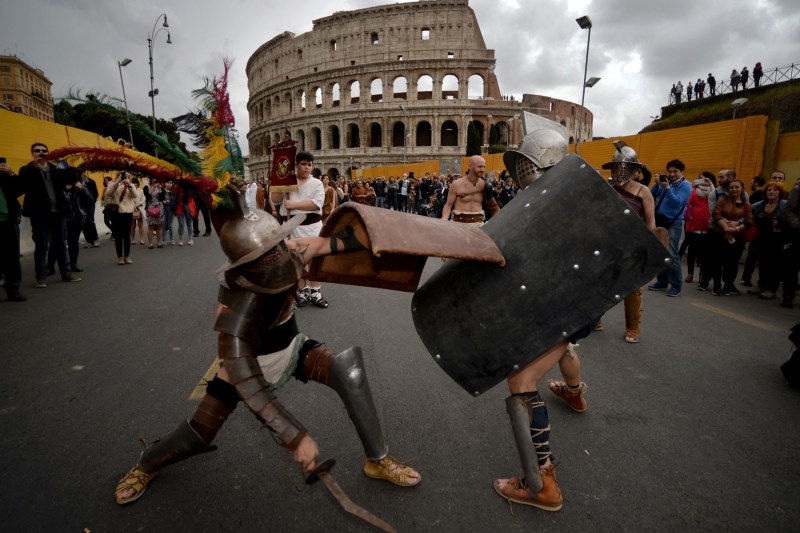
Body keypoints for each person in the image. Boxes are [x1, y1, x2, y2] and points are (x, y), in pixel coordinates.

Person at [113, 179, 420, 506]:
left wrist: (384, 225)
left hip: (293, 348)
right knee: (197, 435)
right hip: (244, 370)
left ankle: (377, 458)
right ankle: (146, 464)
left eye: (275, 246)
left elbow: (349, 239)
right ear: (243, 265)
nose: (275, 258)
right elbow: (246, 376)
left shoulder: (294, 251)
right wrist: (294, 435)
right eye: (264, 255)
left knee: (348, 372)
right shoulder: (234, 303)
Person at [491, 122, 594, 511]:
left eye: (529, 165)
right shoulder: (560, 199)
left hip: (566, 304)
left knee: (521, 380)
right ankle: (575, 394)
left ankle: (542, 484)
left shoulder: (563, 202)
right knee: (564, 351)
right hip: (564, 305)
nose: (523, 174)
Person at [597, 142, 656, 344]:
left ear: (635, 170)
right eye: (616, 167)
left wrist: (649, 248)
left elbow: (650, 222)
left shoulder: (642, 191)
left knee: (631, 288)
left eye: (625, 167)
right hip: (610, 243)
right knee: (601, 282)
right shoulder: (610, 189)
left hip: (633, 244)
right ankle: (595, 319)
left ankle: (633, 328)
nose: (620, 171)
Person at [17, 142, 82, 287]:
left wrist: (61, 163)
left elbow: (71, 178)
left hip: (58, 213)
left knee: (60, 243)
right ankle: (41, 277)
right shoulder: (27, 170)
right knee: (41, 245)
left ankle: (66, 273)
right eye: (37, 151)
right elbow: (22, 183)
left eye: (43, 151)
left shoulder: (55, 169)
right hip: (39, 214)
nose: (40, 153)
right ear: (32, 153)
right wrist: (36, 166)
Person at [272, 150, 329, 308]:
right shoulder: (288, 181)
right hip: (290, 227)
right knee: (296, 260)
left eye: (309, 164)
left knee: (313, 260)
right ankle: (302, 291)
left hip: (311, 227)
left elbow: (315, 204)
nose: (307, 167)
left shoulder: (317, 183)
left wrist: (294, 205)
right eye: (303, 164)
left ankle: (315, 292)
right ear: (296, 165)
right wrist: (279, 182)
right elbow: (275, 199)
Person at [647, 159, 692, 297]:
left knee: (672, 254)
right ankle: (662, 281)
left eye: (675, 172)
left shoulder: (686, 185)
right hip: (660, 219)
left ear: (682, 172)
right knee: (659, 252)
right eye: (670, 171)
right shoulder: (667, 182)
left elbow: (677, 203)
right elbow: (651, 195)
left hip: (674, 223)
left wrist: (667, 188)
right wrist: (657, 185)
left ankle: (676, 285)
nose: (672, 174)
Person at [710, 179, 753, 295]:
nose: (734, 189)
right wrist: (726, 227)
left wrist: (737, 227)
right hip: (721, 235)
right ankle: (717, 286)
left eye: (737, 187)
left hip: (738, 237)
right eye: (731, 187)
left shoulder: (746, 205)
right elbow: (716, 213)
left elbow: (749, 220)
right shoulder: (723, 201)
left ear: (742, 188)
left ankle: (728, 285)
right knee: (718, 261)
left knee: (732, 262)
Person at [747, 182, 787, 299]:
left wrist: (780, 224)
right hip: (762, 238)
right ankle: (762, 285)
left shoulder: (784, 205)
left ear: (780, 193)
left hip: (778, 239)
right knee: (762, 262)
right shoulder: (759, 205)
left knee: (775, 264)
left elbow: (790, 220)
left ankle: (772, 289)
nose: (771, 192)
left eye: (775, 190)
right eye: (769, 190)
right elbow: (749, 214)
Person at [441, 155, 500, 224]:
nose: (483, 170)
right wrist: (444, 221)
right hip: (459, 224)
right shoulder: (457, 184)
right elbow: (448, 206)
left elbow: (492, 206)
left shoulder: (483, 185)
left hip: (478, 224)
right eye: (480, 166)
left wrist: (500, 219)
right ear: (470, 166)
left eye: (484, 167)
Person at [53, 179, 93, 273]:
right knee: (57, 242)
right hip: (60, 217)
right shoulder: (58, 185)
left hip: (76, 217)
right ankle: (51, 266)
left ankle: (73, 264)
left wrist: (82, 188)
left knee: (74, 242)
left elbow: (90, 199)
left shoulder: (79, 186)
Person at [0, 157, 25, 301]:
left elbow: (19, 190)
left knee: (12, 256)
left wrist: (10, 174)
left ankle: (13, 289)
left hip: (7, 220)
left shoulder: (3, 172)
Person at [683, 173, 715, 285]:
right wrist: (692, 188)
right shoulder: (694, 192)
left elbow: (715, 199)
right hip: (693, 226)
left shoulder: (711, 193)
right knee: (692, 251)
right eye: (700, 179)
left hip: (707, 227)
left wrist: (711, 185)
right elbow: (688, 202)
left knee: (704, 253)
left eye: (705, 179)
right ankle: (690, 273)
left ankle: (702, 275)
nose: (702, 181)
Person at [104, 171, 137, 265]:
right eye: (122, 175)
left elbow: (134, 195)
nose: (124, 176)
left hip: (128, 211)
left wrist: (129, 185)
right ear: (118, 175)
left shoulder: (130, 184)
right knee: (118, 236)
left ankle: (127, 256)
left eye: (127, 175)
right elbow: (108, 194)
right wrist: (117, 182)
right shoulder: (112, 184)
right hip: (117, 212)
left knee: (127, 235)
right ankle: (120, 257)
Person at [781, 177, 800, 308]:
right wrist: (797, 226)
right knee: (792, 268)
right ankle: (788, 295)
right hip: (797, 236)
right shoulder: (798, 188)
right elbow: (789, 210)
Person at [80, 171, 100, 248]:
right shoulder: (77, 182)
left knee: (90, 220)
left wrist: (93, 200)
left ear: (85, 173)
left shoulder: (91, 181)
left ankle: (95, 239)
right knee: (83, 222)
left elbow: (96, 193)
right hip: (81, 204)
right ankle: (88, 241)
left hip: (90, 204)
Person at [145, 181, 165, 249]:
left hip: (159, 208)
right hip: (150, 207)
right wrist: (153, 187)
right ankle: (150, 243)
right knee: (150, 226)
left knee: (159, 225)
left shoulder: (161, 188)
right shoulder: (146, 187)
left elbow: (162, 198)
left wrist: (160, 189)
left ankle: (159, 242)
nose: (155, 182)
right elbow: (147, 196)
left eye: (156, 180)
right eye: (153, 181)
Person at [129, 178, 146, 246]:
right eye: (134, 183)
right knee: (132, 225)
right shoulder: (129, 191)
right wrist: (134, 207)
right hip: (131, 209)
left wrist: (138, 205)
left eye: (136, 183)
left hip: (140, 209)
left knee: (140, 225)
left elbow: (143, 199)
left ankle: (141, 239)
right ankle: (132, 239)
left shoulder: (141, 191)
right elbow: (129, 200)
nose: (135, 184)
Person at [161, 180, 176, 245]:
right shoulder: (162, 191)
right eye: (167, 182)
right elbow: (159, 198)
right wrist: (163, 202)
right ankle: (163, 240)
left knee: (170, 224)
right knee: (164, 224)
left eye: (170, 183)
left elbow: (174, 200)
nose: (169, 184)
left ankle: (172, 239)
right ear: (164, 183)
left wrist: (169, 201)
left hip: (170, 209)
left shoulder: (173, 191)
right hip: (163, 208)